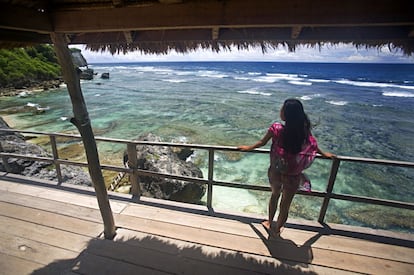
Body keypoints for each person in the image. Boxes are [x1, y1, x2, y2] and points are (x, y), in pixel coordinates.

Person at [238, 98, 335, 237]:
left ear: (286, 114)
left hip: (276, 172)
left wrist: (247, 148)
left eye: (282, 109)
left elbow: (261, 142)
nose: (280, 111)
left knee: (275, 196)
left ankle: (270, 222)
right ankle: (277, 229)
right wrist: (325, 154)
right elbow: (313, 146)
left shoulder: (276, 129)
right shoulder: (303, 132)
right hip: (293, 176)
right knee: (286, 205)